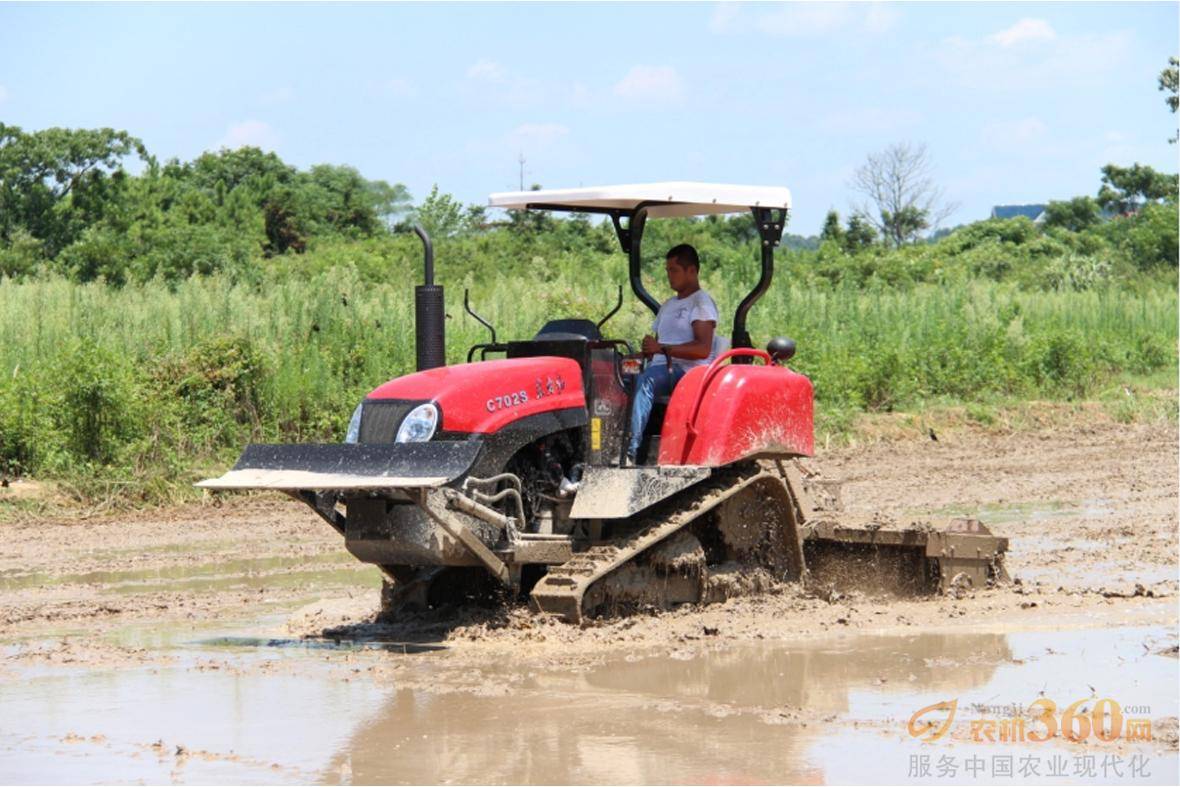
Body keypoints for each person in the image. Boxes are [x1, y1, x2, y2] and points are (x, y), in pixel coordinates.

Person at [627, 243, 718, 464]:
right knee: (615, 373)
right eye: (667, 270)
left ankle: (630, 450)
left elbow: (702, 348)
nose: (669, 276)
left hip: (685, 371)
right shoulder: (668, 305)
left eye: (674, 270)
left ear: (692, 271)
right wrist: (640, 355)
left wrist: (662, 349)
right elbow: (657, 349)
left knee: (646, 380)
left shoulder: (700, 303)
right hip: (661, 365)